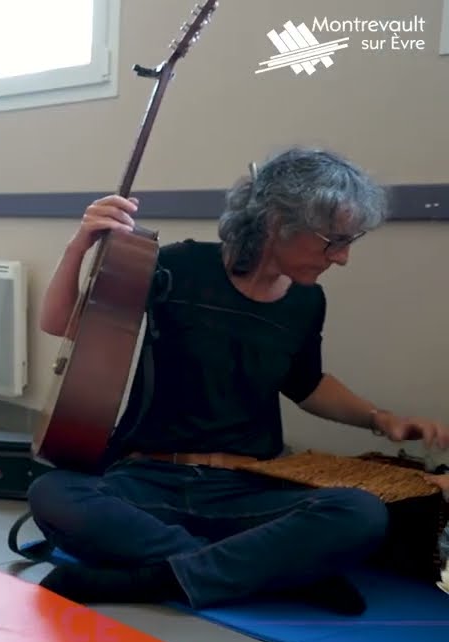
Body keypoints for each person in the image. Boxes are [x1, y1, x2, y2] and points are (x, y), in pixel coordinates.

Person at [27, 146, 449, 616]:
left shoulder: (306, 302)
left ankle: (157, 576)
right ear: (276, 222)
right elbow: (60, 323)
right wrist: (80, 244)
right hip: (150, 478)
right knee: (54, 493)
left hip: (248, 487)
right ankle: (268, 573)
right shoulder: (176, 267)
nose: (344, 257)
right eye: (333, 240)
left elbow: (306, 384)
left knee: (360, 513)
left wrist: (381, 419)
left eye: (351, 240)